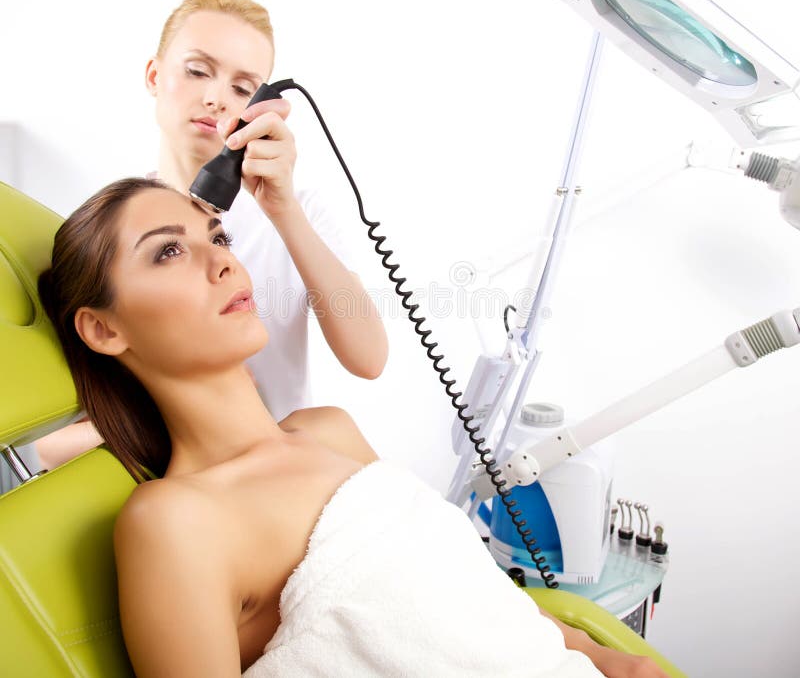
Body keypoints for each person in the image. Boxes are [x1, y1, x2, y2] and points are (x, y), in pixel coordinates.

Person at [38, 177, 668, 677]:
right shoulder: (174, 519)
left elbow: (468, 599)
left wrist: (605, 656)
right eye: (169, 251)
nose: (222, 263)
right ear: (103, 328)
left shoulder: (330, 430)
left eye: (219, 237)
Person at [35, 0, 388, 470]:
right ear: (155, 76)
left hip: (291, 461)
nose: (216, 98)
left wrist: (283, 209)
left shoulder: (295, 213)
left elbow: (368, 359)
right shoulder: (114, 231)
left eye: (243, 88)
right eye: (198, 70)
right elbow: (52, 441)